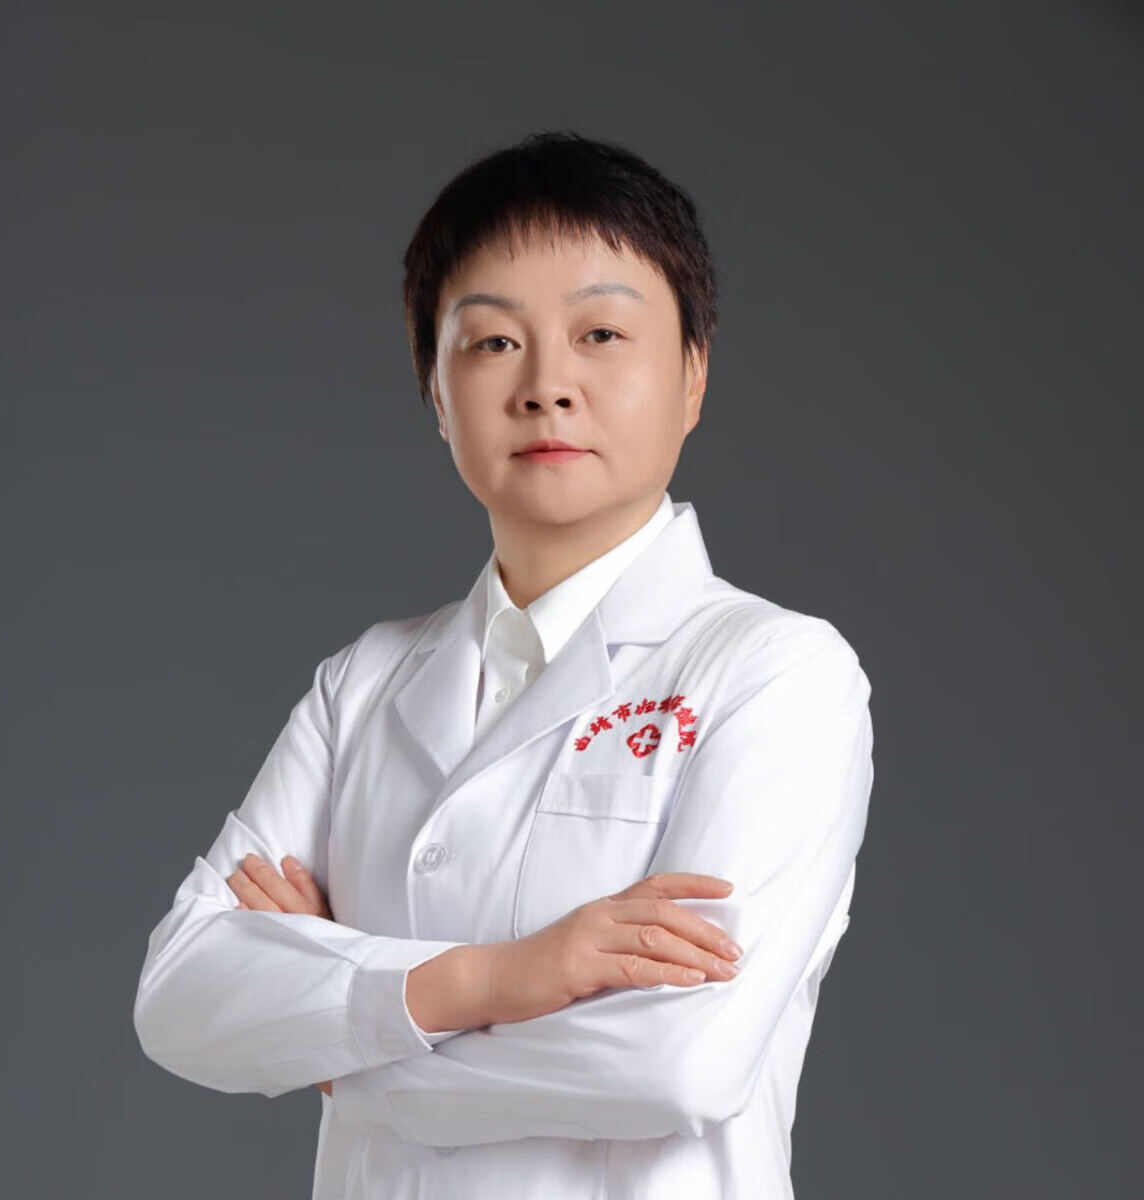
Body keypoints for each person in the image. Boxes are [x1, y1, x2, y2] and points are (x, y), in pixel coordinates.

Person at [133, 129, 875, 1199]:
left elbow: (676, 1064)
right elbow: (179, 996)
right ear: (436, 395)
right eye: (491, 342)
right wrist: (499, 978)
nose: (546, 386)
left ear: (694, 376)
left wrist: (338, 1037)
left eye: (601, 333)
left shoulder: (776, 674)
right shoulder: (364, 684)